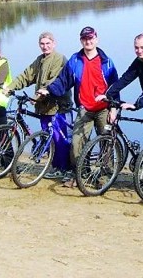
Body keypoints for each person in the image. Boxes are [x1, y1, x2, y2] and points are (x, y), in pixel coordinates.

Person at [37, 26, 118, 187]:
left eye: (91, 38)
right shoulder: (75, 60)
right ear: (81, 40)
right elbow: (63, 81)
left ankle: (104, 176)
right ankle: (80, 172)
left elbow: (114, 85)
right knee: (76, 143)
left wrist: (114, 107)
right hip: (85, 108)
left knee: (106, 142)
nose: (88, 41)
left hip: (104, 108)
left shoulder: (107, 62)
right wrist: (48, 91)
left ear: (96, 39)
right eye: (85, 39)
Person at [2, 32, 73, 179]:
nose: (45, 46)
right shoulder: (40, 60)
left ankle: (66, 169)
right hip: (44, 108)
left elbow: (52, 83)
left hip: (59, 107)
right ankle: (55, 167)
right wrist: (11, 87)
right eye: (42, 44)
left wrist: (35, 98)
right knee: (49, 139)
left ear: (54, 43)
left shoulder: (59, 59)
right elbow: (27, 75)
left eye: (48, 43)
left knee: (61, 140)